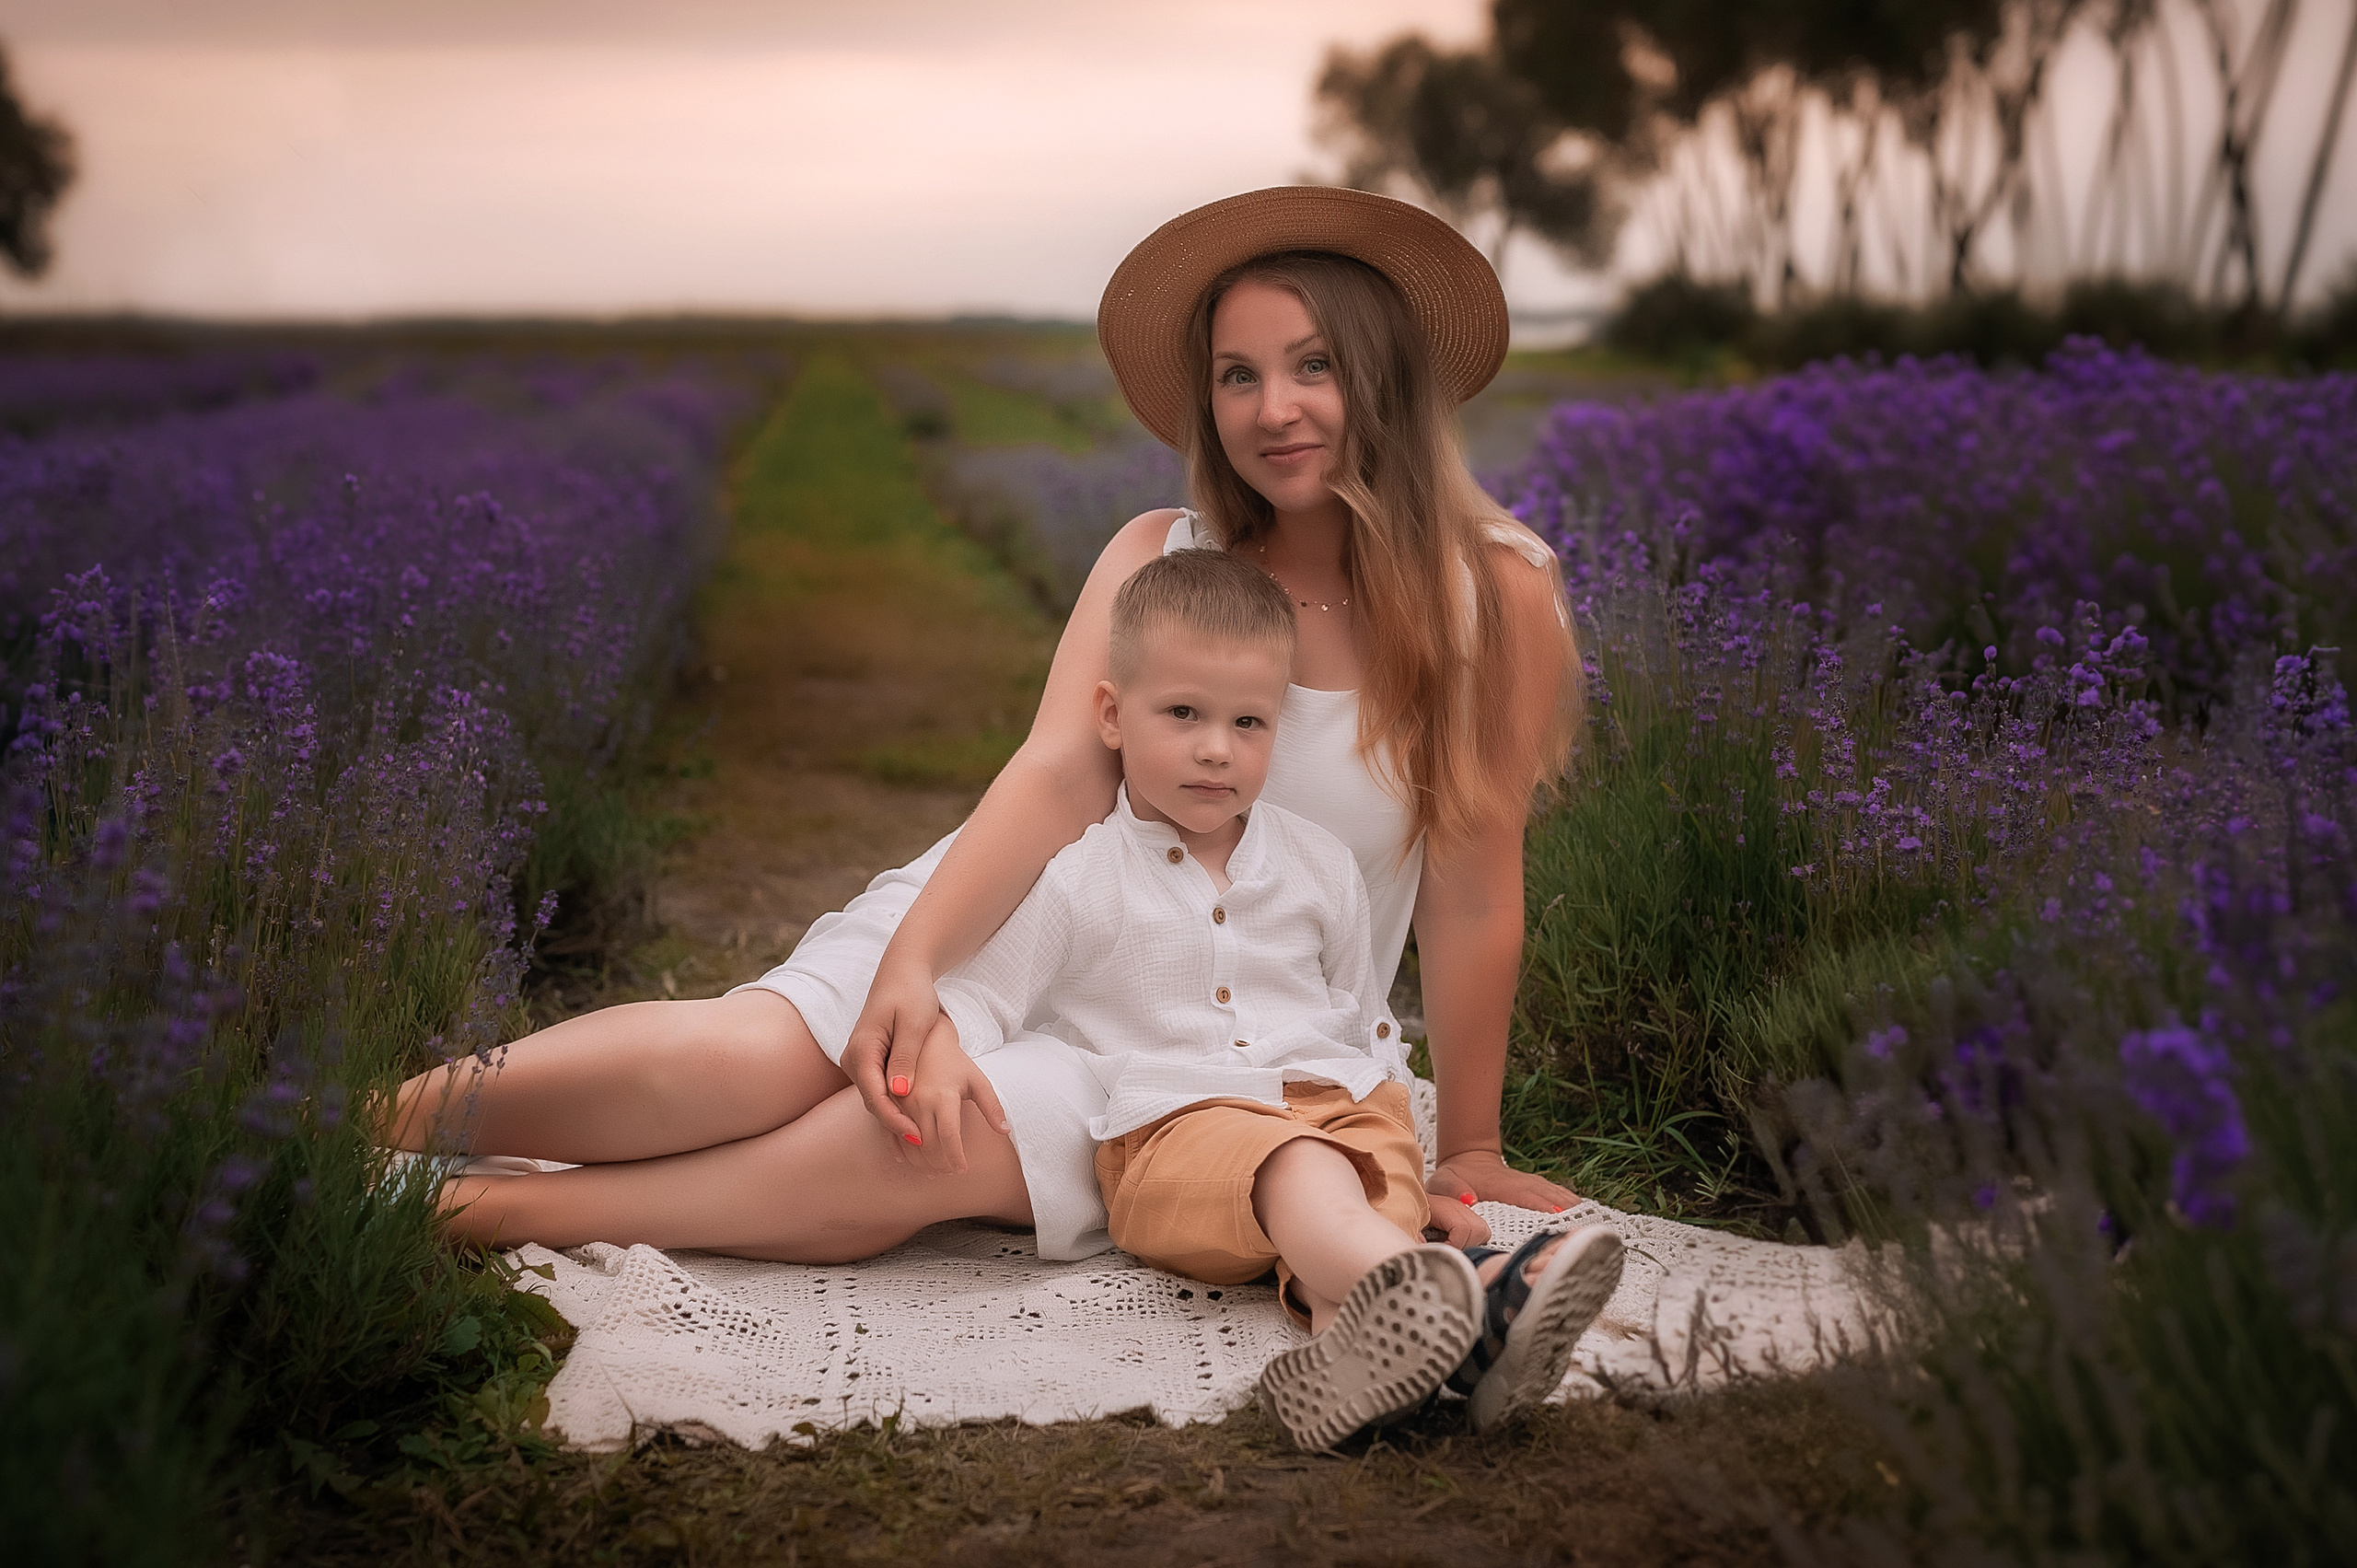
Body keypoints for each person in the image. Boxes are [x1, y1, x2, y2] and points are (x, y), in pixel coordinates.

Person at [385, 183, 1593, 1401]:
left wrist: (1473, 1143)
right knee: (748, 1061)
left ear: (1381, 373)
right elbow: (1060, 772)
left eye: (1313, 365)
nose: (1271, 409)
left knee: (904, 1144)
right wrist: (914, 966)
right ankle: (373, 1120)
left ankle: (487, 1206)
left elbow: (1474, 889)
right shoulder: (1162, 556)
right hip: (1031, 909)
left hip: (1200, 1035)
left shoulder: (1496, 598)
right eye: (1236, 375)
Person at [911, 546, 1620, 1447]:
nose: (1218, 746)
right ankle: (1472, 1300)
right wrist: (939, 1043)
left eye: (1249, 721)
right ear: (1111, 714)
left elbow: (1362, 1016)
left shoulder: (1315, 863)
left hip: (1344, 1109)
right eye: (1183, 713)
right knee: (1298, 1167)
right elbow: (982, 993)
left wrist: (1408, 1151)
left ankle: (1358, 1359)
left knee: (1359, 1176)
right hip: (1179, 1128)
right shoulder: (1080, 874)